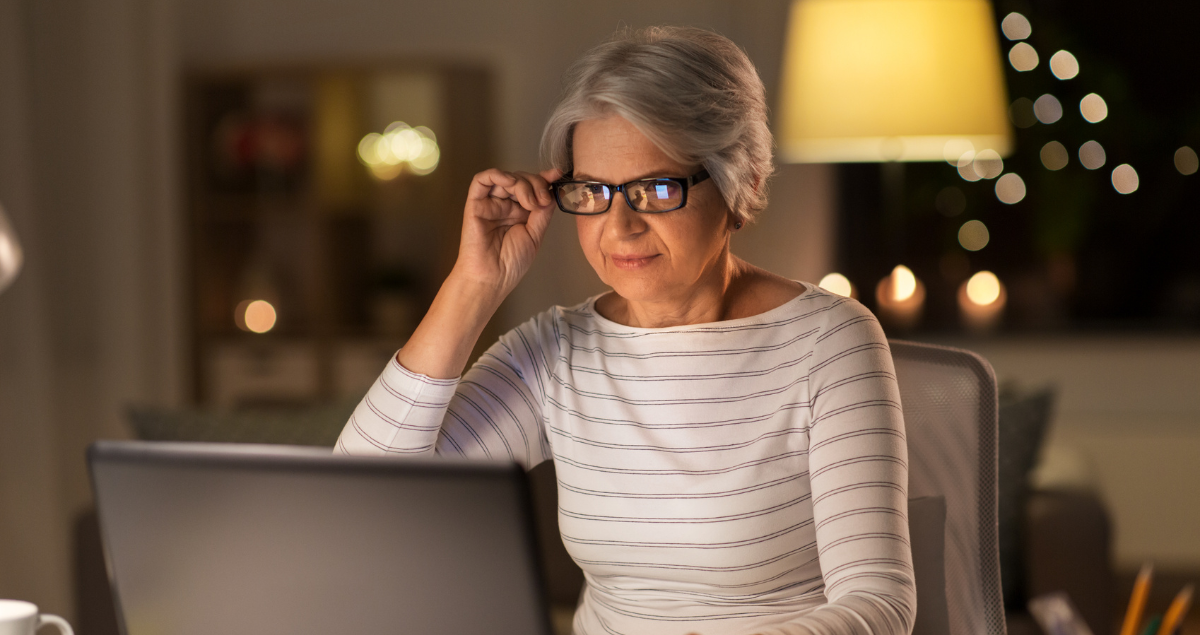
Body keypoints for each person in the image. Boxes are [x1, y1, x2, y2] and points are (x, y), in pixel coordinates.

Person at [337, 26, 916, 635]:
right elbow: (364, 496)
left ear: (738, 184)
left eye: (655, 188)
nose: (619, 228)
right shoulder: (557, 349)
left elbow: (878, 606)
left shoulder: (830, 342)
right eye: (592, 191)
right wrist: (474, 283)